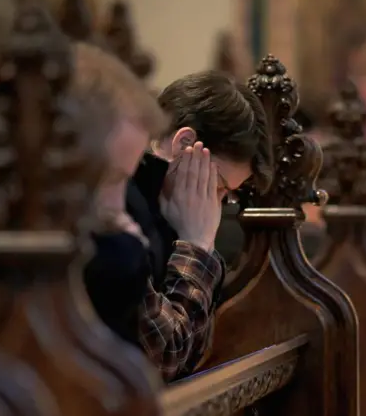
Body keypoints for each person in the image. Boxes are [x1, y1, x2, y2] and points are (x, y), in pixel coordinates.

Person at [87, 70, 272, 381]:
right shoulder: (124, 204)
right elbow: (165, 357)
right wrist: (197, 246)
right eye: (220, 186)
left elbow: (194, 356)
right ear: (185, 143)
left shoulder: (166, 211)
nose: (218, 205)